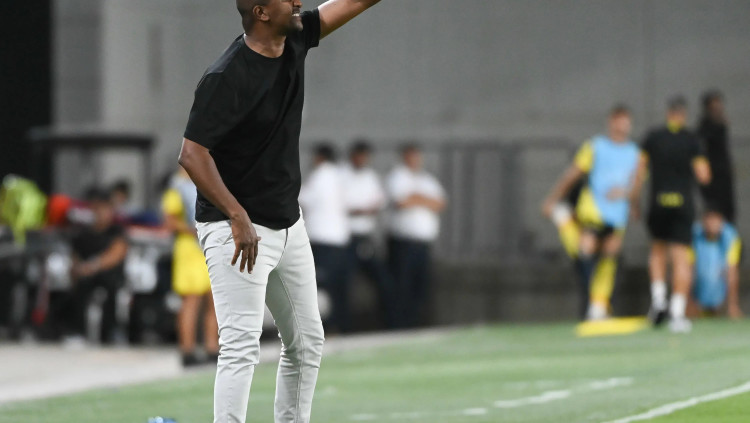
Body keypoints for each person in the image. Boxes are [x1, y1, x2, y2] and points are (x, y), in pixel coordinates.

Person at [176, 1, 382, 421]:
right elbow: (192, 154)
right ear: (261, 12)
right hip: (234, 228)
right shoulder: (225, 76)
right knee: (240, 346)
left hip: (287, 222)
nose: (298, 2)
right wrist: (236, 215)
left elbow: (347, 5)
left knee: (307, 342)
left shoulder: (295, 38)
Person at [542, 105, 641, 320]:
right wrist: (553, 198)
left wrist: (631, 202)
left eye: (626, 121)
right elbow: (573, 174)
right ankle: (591, 304)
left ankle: (599, 305)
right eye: (619, 120)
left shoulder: (635, 153)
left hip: (618, 215)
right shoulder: (596, 146)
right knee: (585, 250)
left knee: (609, 255)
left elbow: (636, 184)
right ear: (611, 122)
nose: (623, 125)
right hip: (595, 210)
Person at [633, 96, 712, 333]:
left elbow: (639, 172)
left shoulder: (653, 137)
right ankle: (677, 312)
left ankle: (658, 301)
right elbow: (704, 175)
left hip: (658, 203)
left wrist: (634, 200)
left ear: (668, 113)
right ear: (683, 115)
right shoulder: (692, 139)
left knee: (657, 251)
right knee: (680, 257)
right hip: (682, 204)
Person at [161, 167, 219, 367]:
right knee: (191, 300)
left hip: (208, 246)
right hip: (189, 247)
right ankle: (187, 350)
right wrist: (192, 229)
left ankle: (212, 347)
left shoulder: (205, 180)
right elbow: (170, 221)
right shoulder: (177, 186)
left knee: (214, 298)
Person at [386, 143, 446, 328]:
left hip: (422, 243)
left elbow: (440, 203)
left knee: (420, 286)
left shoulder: (427, 179)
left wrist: (417, 197)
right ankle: (398, 325)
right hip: (403, 242)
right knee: (401, 285)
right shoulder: (397, 176)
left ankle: (414, 323)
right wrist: (424, 199)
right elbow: (401, 202)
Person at [64, 188, 128, 343]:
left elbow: (116, 254)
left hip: (110, 275)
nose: (100, 213)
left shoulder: (116, 231)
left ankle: (112, 332)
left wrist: (93, 266)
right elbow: (75, 256)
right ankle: (77, 331)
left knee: (112, 289)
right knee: (79, 287)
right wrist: (77, 269)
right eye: (96, 209)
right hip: (87, 276)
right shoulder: (83, 234)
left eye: (104, 209)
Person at [298, 144, 351, 333]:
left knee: (322, 286)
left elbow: (302, 199)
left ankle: (325, 326)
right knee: (339, 286)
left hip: (323, 239)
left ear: (319, 157)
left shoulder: (319, 176)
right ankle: (341, 325)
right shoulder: (342, 176)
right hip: (341, 239)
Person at [341, 140, 394, 328]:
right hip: (347, 238)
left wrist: (368, 209)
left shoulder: (370, 176)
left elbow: (380, 200)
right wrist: (359, 210)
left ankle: (387, 322)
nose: (363, 160)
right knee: (345, 282)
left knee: (383, 280)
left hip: (366, 237)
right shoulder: (342, 175)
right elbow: (340, 204)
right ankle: (345, 326)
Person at [688, 208, 743, 319]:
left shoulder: (730, 236)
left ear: (722, 221)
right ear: (703, 221)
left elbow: (732, 271)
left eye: (716, 219)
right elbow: (688, 269)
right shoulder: (693, 235)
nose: (712, 223)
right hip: (698, 293)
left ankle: (726, 307)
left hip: (721, 295)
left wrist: (732, 305)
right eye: (709, 219)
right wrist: (689, 302)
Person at [697, 90, 736, 224]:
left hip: (724, 176)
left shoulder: (720, 125)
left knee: (728, 210)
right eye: (714, 107)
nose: (718, 110)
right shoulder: (705, 127)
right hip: (712, 177)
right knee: (714, 210)